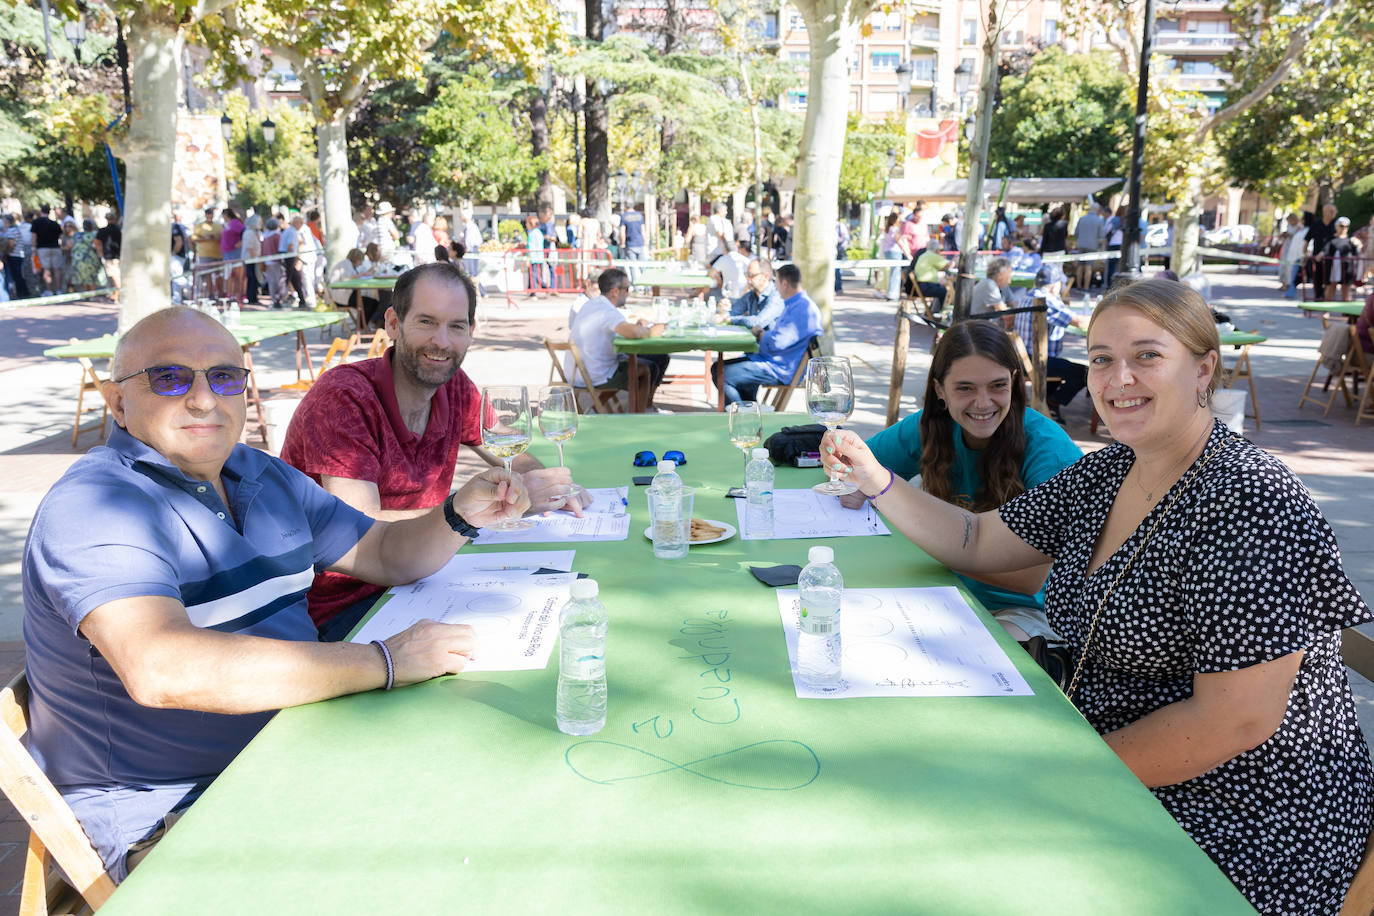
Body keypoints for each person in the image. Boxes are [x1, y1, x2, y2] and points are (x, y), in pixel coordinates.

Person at [821, 277, 1373, 914]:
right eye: (1103, 359)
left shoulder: (1251, 501)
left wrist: (1055, 779)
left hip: (1236, 813)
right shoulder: (1111, 470)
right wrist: (880, 480)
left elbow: (1234, 721)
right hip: (1101, 747)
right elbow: (976, 538)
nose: (1118, 379)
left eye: (1147, 355)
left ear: (1204, 369)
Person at [22, 306, 529, 883]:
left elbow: (386, 554)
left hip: (298, 747)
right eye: (169, 378)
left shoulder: (259, 475)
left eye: (224, 376)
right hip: (175, 808)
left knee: (496, 794)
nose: (203, 400)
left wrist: (460, 514)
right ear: (117, 402)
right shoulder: (96, 507)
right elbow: (162, 667)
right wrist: (385, 661)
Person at [281, 261, 581, 639]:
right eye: (426, 322)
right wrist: (465, 512)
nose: (441, 342)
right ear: (393, 323)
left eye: (455, 326)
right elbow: (359, 532)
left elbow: (508, 446)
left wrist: (540, 481)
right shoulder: (344, 398)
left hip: (422, 582)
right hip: (339, 608)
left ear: (470, 333)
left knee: (565, 614)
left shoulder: (455, 388)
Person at [837, 320, 1081, 642]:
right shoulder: (931, 427)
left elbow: (1030, 578)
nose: (983, 403)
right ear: (940, 390)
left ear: (1014, 382)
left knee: (968, 655)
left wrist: (916, 527)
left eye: (997, 386)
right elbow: (857, 467)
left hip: (1026, 611)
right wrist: (848, 475)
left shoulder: (1049, 451)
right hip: (942, 588)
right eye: (965, 388)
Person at [713, 263, 822, 405]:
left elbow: (776, 342)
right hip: (772, 361)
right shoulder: (797, 304)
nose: (775, 287)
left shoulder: (801, 308)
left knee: (721, 373)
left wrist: (760, 333)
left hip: (778, 368)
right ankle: (749, 411)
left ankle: (745, 415)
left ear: (784, 284)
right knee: (720, 368)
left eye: (776, 283)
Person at [568, 267, 666, 409]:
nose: (628, 293)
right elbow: (633, 333)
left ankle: (598, 408)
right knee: (645, 369)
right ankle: (641, 415)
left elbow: (619, 328)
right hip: (595, 374)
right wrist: (651, 331)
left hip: (578, 371)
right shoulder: (607, 310)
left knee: (651, 360)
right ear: (615, 291)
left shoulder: (591, 304)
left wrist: (636, 327)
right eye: (626, 289)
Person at [1013, 266, 1090, 423]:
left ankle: (1050, 402)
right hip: (1037, 362)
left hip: (1023, 359)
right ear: (1056, 285)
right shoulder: (1047, 299)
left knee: (1064, 367)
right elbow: (1080, 322)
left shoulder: (1027, 295)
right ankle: (1053, 403)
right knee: (1085, 373)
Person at [726, 258, 784, 330]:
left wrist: (731, 320)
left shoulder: (777, 296)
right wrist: (724, 311)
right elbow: (732, 312)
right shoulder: (751, 294)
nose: (747, 278)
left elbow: (758, 322)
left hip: (770, 340)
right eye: (746, 274)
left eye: (751, 275)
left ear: (766, 277)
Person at [1306, 202, 1339, 301]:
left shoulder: (1337, 224)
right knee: (1317, 278)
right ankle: (1318, 297)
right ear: (1325, 212)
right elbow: (1307, 239)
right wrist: (1305, 254)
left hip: (1332, 258)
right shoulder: (1316, 224)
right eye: (1331, 211)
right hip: (1317, 257)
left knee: (1330, 280)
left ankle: (1327, 299)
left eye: (1334, 211)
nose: (1333, 213)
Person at [1324, 216, 1360, 302]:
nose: (1344, 228)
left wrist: (1357, 245)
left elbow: (1356, 254)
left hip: (1347, 267)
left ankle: (1347, 312)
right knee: (1331, 286)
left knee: (1346, 288)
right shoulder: (1331, 239)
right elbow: (1325, 251)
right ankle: (1327, 310)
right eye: (1342, 226)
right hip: (1333, 267)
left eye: (1346, 226)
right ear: (1336, 226)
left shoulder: (1351, 240)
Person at [907, 242, 951, 313]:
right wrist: (955, 261)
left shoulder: (924, 255)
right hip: (925, 287)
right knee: (944, 292)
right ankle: (937, 312)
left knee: (942, 289)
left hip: (919, 286)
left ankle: (933, 311)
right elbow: (948, 264)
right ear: (936, 249)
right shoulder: (932, 255)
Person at [280, 213, 312, 309]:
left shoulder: (292, 231)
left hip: (290, 257)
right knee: (287, 279)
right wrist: (295, 259)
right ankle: (279, 298)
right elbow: (290, 246)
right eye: (300, 223)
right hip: (289, 257)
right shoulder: (291, 232)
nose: (301, 225)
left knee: (296, 278)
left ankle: (301, 299)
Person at [31, 205, 64, 295]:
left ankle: (48, 290)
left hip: (42, 248)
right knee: (57, 269)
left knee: (46, 269)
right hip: (55, 248)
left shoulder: (36, 222)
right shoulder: (55, 223)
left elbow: (33, 236)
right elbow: (61, 237)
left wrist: (33, 248)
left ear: (41, 211)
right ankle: (58, 290)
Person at [192, 207, 224, 298]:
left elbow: (223, 238)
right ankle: (210, 293)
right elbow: (193, 238)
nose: (210, 216)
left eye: (211, 214)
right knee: (208, 275)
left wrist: (215, 238)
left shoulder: (218, 226)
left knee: (219, 274)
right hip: (205, 254)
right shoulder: (199, 226)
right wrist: (205, 238)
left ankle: (220, 293)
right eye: (208, 214)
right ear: (205, 215)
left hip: (218, 254)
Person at [1073, 203, 1105, 291]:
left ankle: (1079, 286)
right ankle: (1086, 287)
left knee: (1080, 266)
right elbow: (1101, 235)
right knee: (1088, 267)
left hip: (1081, 245)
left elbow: (1076, 233)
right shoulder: (1099, 220)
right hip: (1092, 246)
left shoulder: (1082, 218)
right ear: (1097, 210)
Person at [67, 218, 104, 292]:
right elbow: (98, 246)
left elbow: (69, 245)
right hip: (91, 258)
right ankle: (92, 295)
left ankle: (86, 294)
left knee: (83, 277)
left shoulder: (76, 235)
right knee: (92, 277)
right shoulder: (94, 234)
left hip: (78, 259)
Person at [1277, 212, 1307, 300]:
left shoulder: (1299, 227)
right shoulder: (1289, 226)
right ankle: (1284, 283)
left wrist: (1289, 235)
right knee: (1284, 266)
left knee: (1291, 268)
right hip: (1287, 247)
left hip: (1294, 250)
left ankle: (1290, 285)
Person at [877, 211, 906, 301]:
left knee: (892, 273)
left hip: (887, 252)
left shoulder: (887, 229)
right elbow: (899, 242)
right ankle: (893, 294)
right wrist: (907, 253)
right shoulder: (895, 229)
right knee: (895, 274)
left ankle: (891, 293)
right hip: (895, 252)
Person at [93, 211, 122, 303]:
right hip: (119, 256)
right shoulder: (119, 229)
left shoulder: (103, 231)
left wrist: (101, 253)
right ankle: (115, 294)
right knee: (115, 276)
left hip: (110, 257)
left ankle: (117, 295)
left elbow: (96, 243)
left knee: (115, 277)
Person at [220, 208, 246, 302]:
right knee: (229, 275)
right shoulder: (226, 224)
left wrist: (241, 242)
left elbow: (244, 232)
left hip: (235, 253)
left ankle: (240, 294)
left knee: (238, 275)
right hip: (227, 253)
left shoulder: (235, 223)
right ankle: (230, 293)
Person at [3, 213, 30, 299]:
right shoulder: (14, 229)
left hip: (14, 255)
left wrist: (6, 253)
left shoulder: (11, 230)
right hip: (16, 255)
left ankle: (21, 293)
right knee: (18, 275)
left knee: (17, 275)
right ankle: (23, 293)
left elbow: (11, 244)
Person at [242, 215, 263, 304]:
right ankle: (251, 297)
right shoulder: (249, 233)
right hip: (250, 260)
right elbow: (249, 247)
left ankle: (253, 297)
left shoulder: (254, 232)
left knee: (254, 278)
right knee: (252, 278)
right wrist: (254, 258)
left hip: (254, 259)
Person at [525, 215, 547, 294]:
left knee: (533, 275)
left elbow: (530, 247)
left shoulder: (532, 234)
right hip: (539, 257)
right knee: (536, 275)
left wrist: (528, 257)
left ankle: (535, 291)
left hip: (533, 257)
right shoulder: (539, 233)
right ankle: (534, 289)